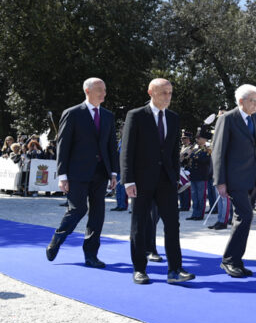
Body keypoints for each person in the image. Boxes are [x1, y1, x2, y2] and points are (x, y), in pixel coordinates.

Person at [121, 78, 194, 285]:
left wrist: (175, 177)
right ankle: (139, 269)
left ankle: (175, 269)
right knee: (140, 224)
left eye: (170, 93)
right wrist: (128, 180)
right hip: (141, 181)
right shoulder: (136, 115)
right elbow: (127, 150)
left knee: (172, 224)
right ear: (151, 92)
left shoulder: (173, 117)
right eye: (163, 93)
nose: (168, 97)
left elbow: (173, 151)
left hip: (166, 181)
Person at [45, 78, 119, 268]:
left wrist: (114, 172)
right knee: (78, 209)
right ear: (87, 91)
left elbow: (111, 146)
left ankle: (91, 255)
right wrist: (62, 175)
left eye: (105, 89)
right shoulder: (72, 113)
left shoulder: (108, 116)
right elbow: (63, 146)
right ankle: (58, 238)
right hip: (77, 172)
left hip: (101, 172)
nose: (104, 93)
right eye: (100, 89)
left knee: (97, 215)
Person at [212, 84, 256, 278]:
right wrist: (220, 181)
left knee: (244, 218)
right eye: (253, 101)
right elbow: (218, 152)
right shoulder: (227, 119)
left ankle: (236, 260)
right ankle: (229, 260)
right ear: (241, 101)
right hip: (234, 178)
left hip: (253, 178)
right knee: (245, 216)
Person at [186, 127, 212, 220]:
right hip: (194, 175)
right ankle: (194, 213)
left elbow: (204, 160)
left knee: (201, 196)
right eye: (197, 138)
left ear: (204, 139)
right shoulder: (195, 148)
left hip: (201, 175)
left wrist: (192, 155)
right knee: (194, 196)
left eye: (199, 138)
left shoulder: (207, 149)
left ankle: (200, 214)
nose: (197, 140)